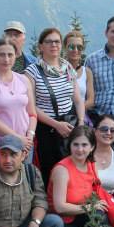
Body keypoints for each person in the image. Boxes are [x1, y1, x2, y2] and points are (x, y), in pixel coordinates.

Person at [25, 28, 85, 180]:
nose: (54, 45)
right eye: (49, 42)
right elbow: (31, 106)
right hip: (47, 130)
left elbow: (77, 99)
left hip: (70, 125)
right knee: (50, 172)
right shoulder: (32, 72)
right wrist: (56, 125)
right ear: (41, 46)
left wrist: (80, 123)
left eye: (57, 41)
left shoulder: (68, 68)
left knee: (72, 170)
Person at [47, 125, 112, 227]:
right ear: (69, 145)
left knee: (100, 215)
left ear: (92, 147)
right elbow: (59, 207)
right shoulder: (62, 170)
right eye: (75, 144)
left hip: (79, 215)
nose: (80, 149)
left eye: (84, 145)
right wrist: (89, 207)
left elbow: (94, 191)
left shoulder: (91, 164)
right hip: (62, 220)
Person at [0, 38, 36, 169]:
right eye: (2, 55)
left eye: (10, 55)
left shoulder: (24, 80)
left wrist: (30, 137)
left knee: (24, 178)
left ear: (16, 56)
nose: (6, 59)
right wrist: (17, 139)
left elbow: (32, 113)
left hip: (25, 143)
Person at [63, 30, 94, 118]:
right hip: (61, 117)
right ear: (65, 48)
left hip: (81, 117)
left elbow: (91, 100)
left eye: (79, 47)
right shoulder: (57, 70)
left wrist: (76, 111)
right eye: (71, 47)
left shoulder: (87, 72)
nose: (75, 50)